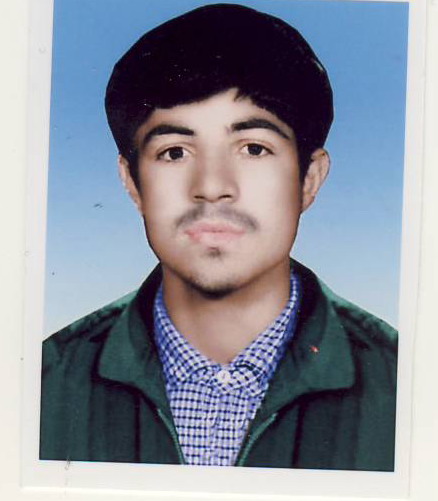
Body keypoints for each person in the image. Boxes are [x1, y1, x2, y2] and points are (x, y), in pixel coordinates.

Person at [40, 3, 397, 470]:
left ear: (309, 179)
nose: (211, 186)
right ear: (132, 182)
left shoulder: (407, 381)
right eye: (174, 152)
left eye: (253, 148)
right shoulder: (42, 382)